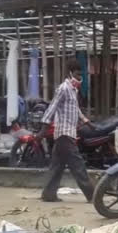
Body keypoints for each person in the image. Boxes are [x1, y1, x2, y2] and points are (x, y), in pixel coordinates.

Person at [40, 59, 95, 203]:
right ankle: (93, 195)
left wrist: (86, 122)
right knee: (78, 165)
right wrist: (43, 130)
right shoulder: (63, 88)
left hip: (67, 133)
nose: (79, 78)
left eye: (80, 75)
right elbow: (52, 108)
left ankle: (48, 194)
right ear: (70, 73)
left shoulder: (73, 90)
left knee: (57, 166)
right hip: (64, 133)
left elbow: (75, 109)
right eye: (77, 75)